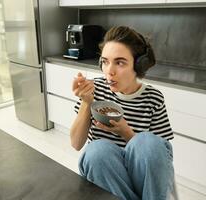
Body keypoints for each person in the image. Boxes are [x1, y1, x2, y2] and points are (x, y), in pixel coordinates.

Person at [70, 26, 174, 200]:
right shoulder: (95, 89)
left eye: (119, 62)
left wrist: (126, 132)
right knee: (97, 151)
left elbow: (158, 158)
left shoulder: (153, 98)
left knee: (146, 142)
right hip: (108, 175)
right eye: (105, 61)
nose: (109, 71)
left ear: (139, 65)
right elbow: (76, 144)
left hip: (145, 178)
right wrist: (87, 102)